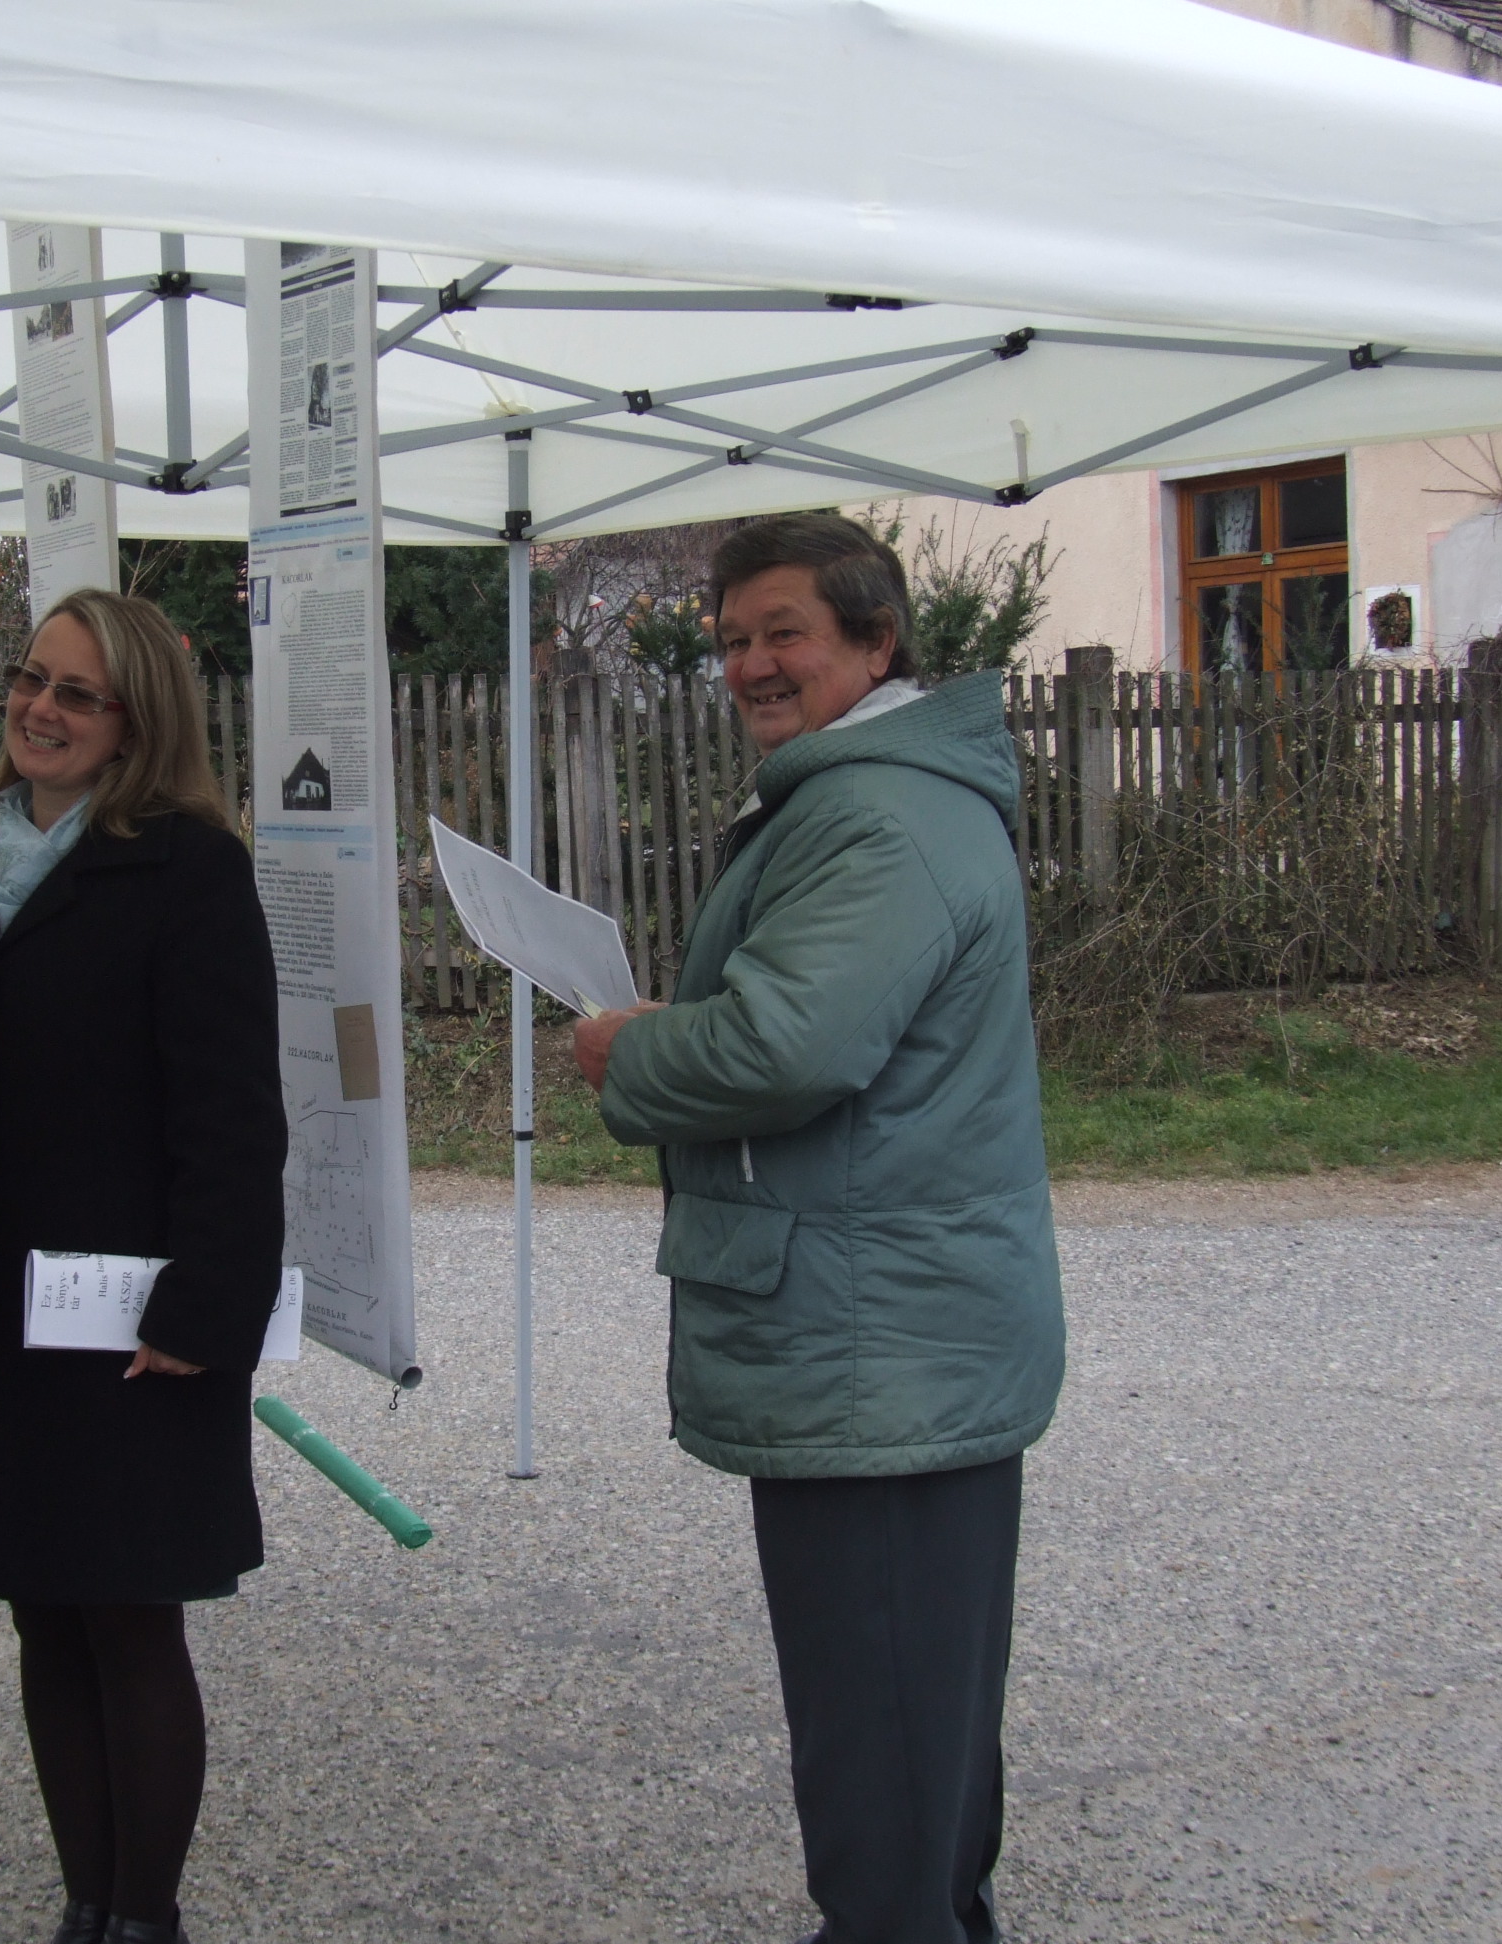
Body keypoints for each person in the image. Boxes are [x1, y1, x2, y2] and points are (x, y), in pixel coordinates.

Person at [573, 515, 1066, 1944]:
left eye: (782, 632)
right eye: (732, 640)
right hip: (893, 1333)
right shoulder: (875, 795)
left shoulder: (876, 815)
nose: (750, 665)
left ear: (875, 638)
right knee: (912, 1718)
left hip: (877, 1348)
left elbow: (790, 1046)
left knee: (884, 1722)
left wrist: (627, 1050)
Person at [0, 590, 287, 1944]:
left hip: (129, 1329)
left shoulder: (188, 871)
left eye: (76, 692)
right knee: (43, 1615)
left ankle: (145, 1917)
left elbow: (232, 1118)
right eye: (30, 678)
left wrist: (204, 1308)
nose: (39, 709)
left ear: (135, 723)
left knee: (127, 1619)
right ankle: (86, 1903)